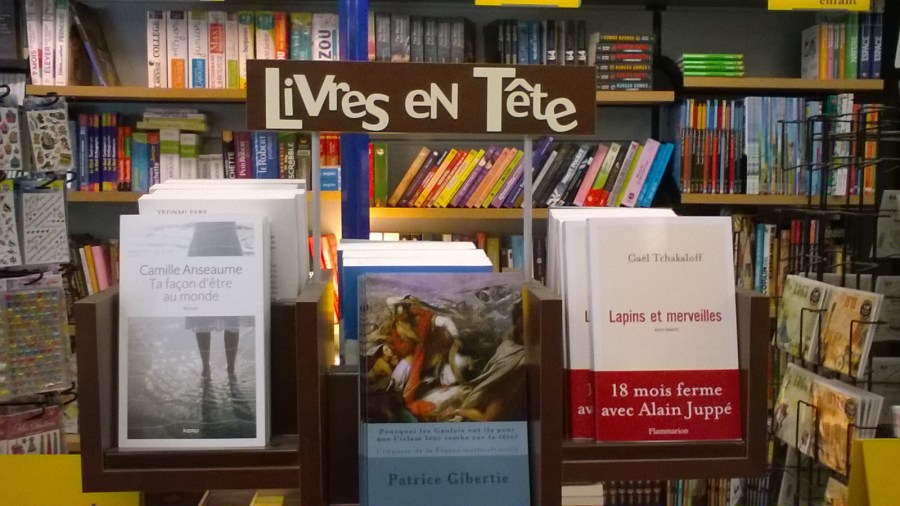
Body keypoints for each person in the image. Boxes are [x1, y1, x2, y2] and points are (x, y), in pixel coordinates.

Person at [184, 221, 245, 378]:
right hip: (210, 235)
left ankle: (226, 367)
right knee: (204, 305)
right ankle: (211, 366)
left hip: (218, 235)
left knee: (227, 306)